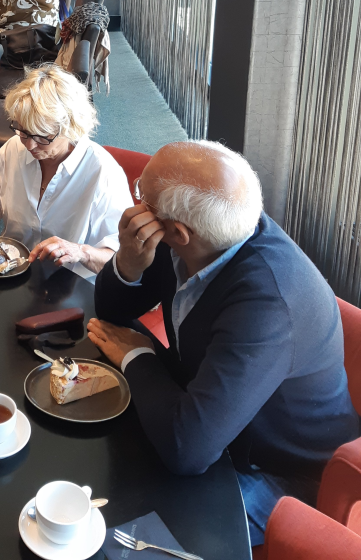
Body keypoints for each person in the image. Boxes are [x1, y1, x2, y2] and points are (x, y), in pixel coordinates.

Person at [89, 140, 359, 547]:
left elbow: (188, 450)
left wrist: (137, 355)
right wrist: (128, 262)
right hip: (207, 415)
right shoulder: (200, 235)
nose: (135, 202)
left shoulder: (268, 302)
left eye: (141, 193)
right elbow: (112, 313)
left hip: (277, 470)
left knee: (128, 535)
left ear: (178, 232)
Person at [0, 65, 132, 281]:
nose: (29, 145)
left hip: (72, 284)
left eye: (42, 136)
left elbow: (122, 261)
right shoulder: (14, 148)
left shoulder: (103, 172)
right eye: (23, 131)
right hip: (13, 273)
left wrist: (81, 252)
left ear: (71, 127)